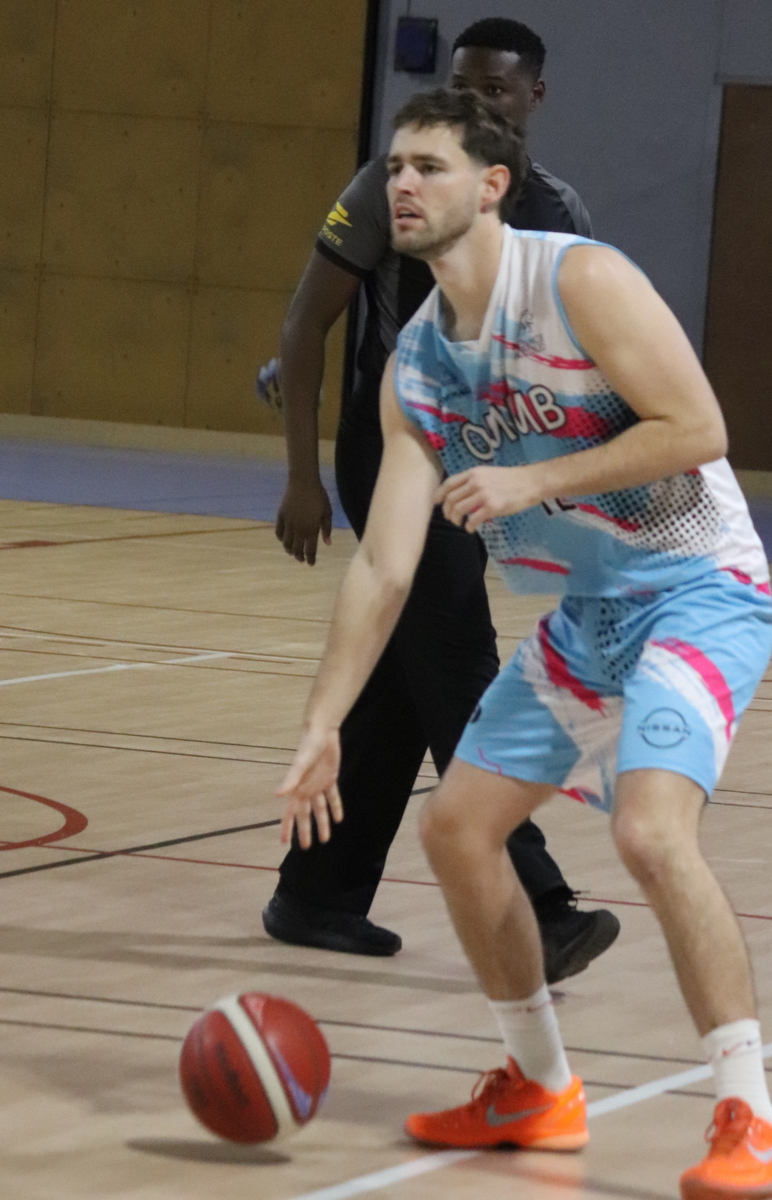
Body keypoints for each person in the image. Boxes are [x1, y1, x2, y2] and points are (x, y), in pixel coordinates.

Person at [277, 89, 772, 1199]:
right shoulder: (417, 367)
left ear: (491, 185)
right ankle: (536, 1085)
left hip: (697, 591)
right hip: (585, 622)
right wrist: (321, 724)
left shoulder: (578, 281)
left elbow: (698, 428)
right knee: (457, 831)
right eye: (393, 167)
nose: (400, 185)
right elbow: (383, 567)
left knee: (649, 833)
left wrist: (533, 480)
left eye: (426, 166)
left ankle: (751, 1120)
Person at [260, 18, 619, 984]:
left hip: (482, 459)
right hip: (393, 446)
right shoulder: (394, 187)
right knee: (457, 658)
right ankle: (538, 911)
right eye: (462, 83)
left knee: (403, 682)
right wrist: (302, 476)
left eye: (494, 88)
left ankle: (317, 893)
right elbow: (303, 326)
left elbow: (570, 355)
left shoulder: (556, 210)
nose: (473, 99)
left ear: (533, 97)